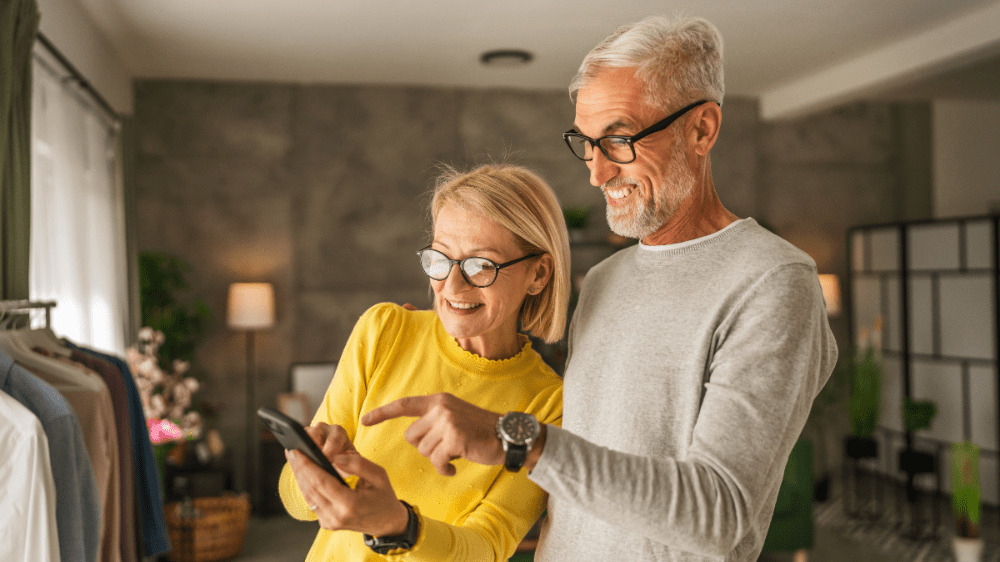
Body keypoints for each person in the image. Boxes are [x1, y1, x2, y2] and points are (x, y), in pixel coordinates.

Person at [362, 15, 838, 561]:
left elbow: (720, 511)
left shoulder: (772, 281)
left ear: (702, 130)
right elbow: (589, 462)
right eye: (586, 143)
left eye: (618, 139)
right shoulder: (607, 279)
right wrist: (436, 348)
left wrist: (516, 439)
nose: (596, 173)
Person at [278, 163, 570, 560]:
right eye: (440, 257)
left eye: (481, 265)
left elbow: (487, 548)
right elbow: (295, 503)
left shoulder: (550, 406)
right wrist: (314, 469)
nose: (451, 285)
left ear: (538, 274)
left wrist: (400, 527)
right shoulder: (385, 330)